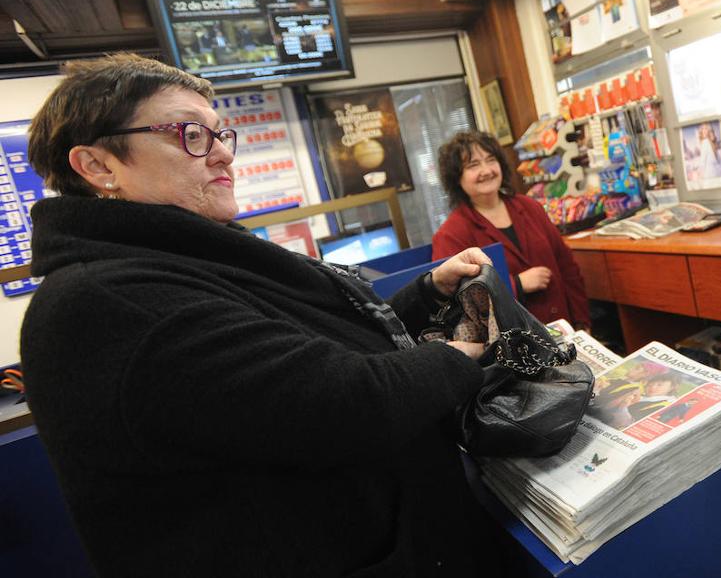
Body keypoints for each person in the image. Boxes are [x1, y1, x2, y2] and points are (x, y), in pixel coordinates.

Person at [20, 54, 501, 578]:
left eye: (220, 134)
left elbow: (296, 349)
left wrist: (425, 293)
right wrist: (463, 349)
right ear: (98, 166)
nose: (223, 154)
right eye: (190, 134)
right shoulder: (109, 302)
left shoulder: (181, 256)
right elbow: (341, 403)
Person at [434, 130, 590, 328]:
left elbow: (568, 268)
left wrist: (582, 323)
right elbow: (456, 303)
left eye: (491, 160)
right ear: (457, 177)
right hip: (514, 345)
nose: (486, 170)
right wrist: (517, 284)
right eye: (473, 165)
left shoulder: (530, 207)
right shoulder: (451, 234)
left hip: (564, 328)